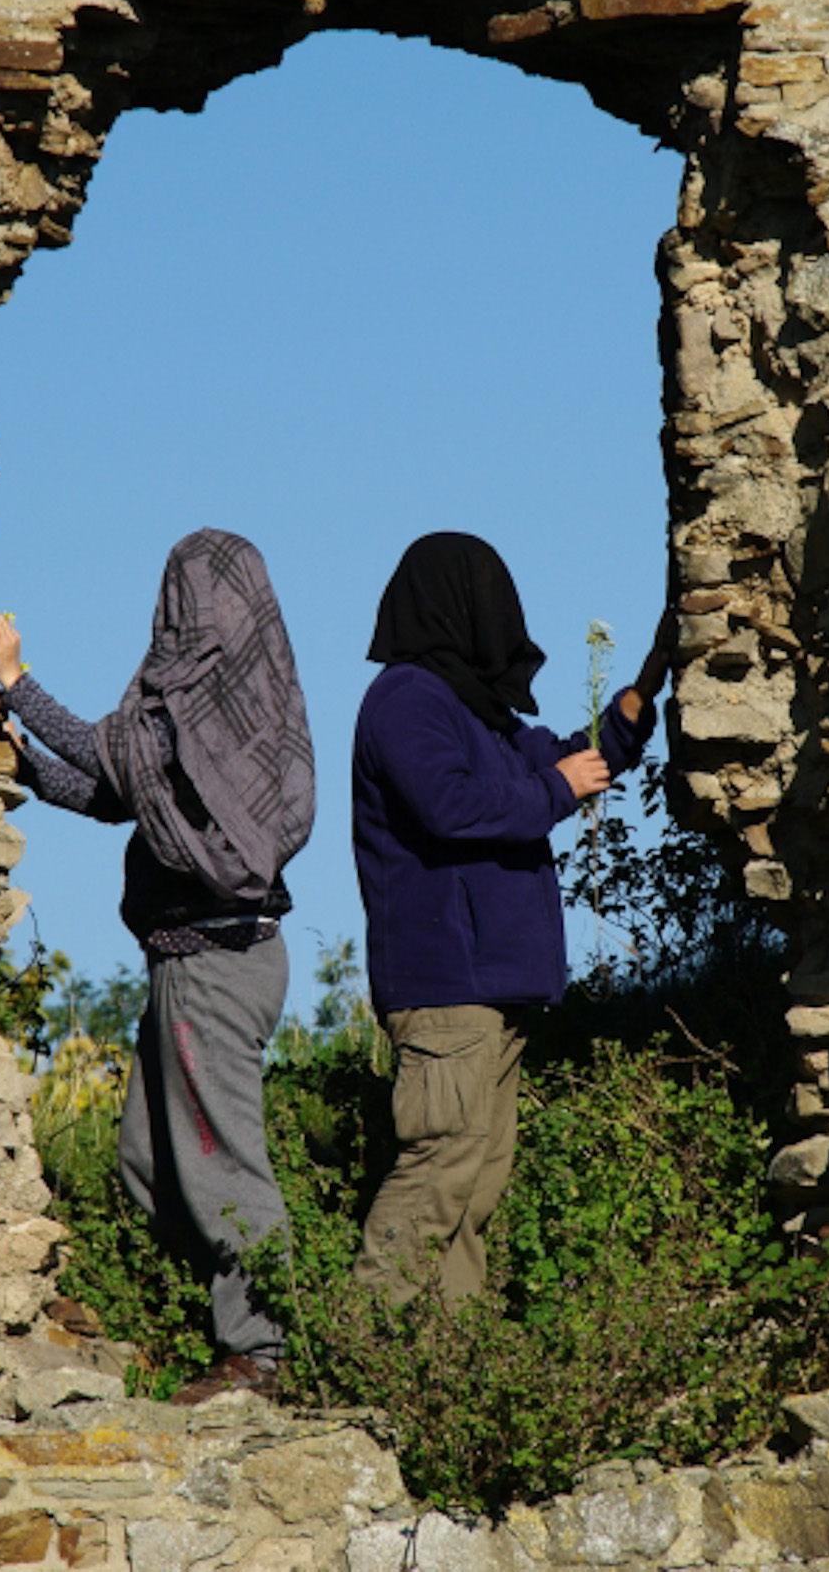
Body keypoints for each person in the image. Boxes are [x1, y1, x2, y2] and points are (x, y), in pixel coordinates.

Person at [0, 528, 314, 1403]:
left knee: (217, 1162)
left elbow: (109, 752)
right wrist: (30, 769)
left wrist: (17, 681)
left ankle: (261, 1353)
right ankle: (199, 1323)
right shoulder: (204, 711)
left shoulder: (212, 705)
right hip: (190, 963)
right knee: (148, 1158)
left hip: (217, 963)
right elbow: (122, 791)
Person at [351, 532, 671, 1309]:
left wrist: (636, 700)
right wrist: (558, 789)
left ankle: (444, 1361)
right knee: (439, 1172)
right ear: (452, 606)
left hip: (491, 990)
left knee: (474, 1191)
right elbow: (450, 805)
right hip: (446, 987)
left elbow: (565, 761)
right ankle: (356, 1345)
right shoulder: (407, 699)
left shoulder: (475, 710)